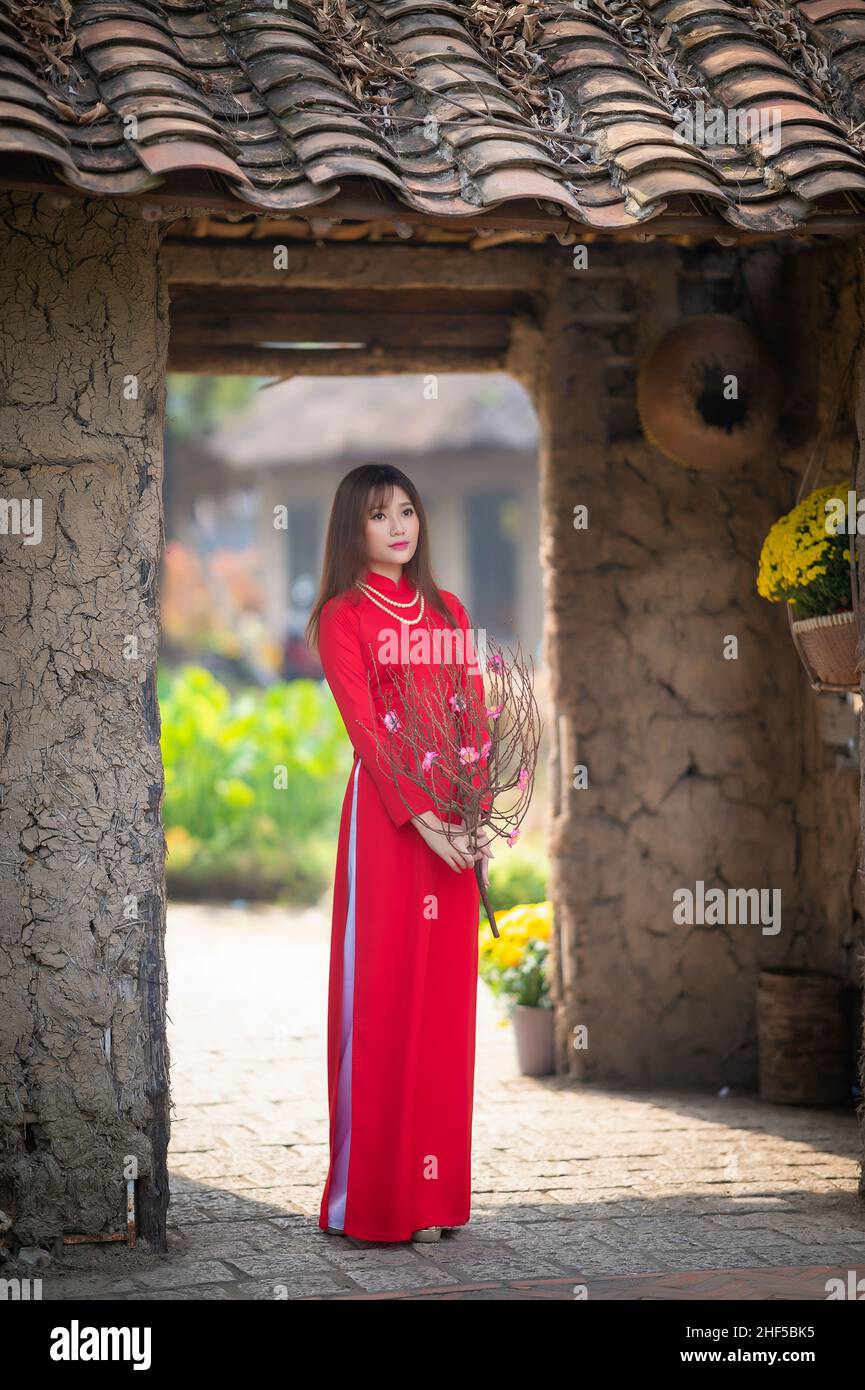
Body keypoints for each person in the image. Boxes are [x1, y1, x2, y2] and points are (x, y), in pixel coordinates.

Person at [305, 462, 493, 1244]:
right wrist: (425, 820)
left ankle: (436, 1197)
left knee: (445, 1012)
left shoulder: (448, 609)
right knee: (385, 1004)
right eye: (380, 515)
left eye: (408, 511)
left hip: (453, 827)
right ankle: (374, 1202)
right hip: (390, 828)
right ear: (354, 527)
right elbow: (367, 730)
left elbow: (474, 715)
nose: (399, 527)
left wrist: (474, 813)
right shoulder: (340, 616)